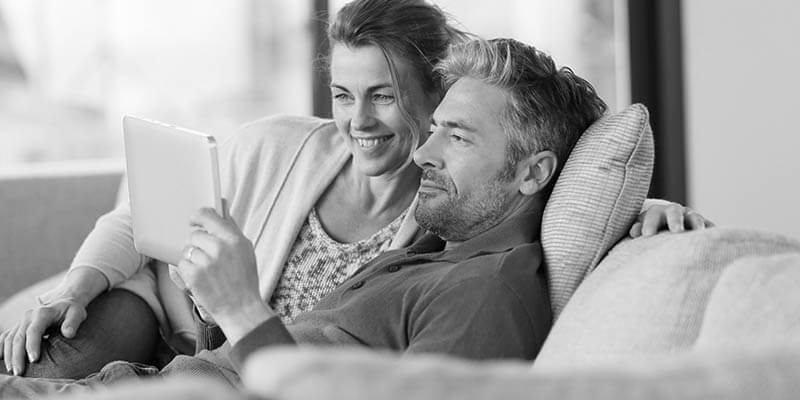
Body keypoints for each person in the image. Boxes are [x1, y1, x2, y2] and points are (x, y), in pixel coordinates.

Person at [0, 0, 705, 381]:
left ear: (430, 97)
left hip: (209, 364)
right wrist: (83, 286)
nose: (357, 122)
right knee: (56, 336)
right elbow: (133, 219)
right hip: (162, 329)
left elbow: (547, 181)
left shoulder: (459, 247)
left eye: (386, 97)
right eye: (341, 94)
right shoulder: (437, 231)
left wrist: (641, 209)